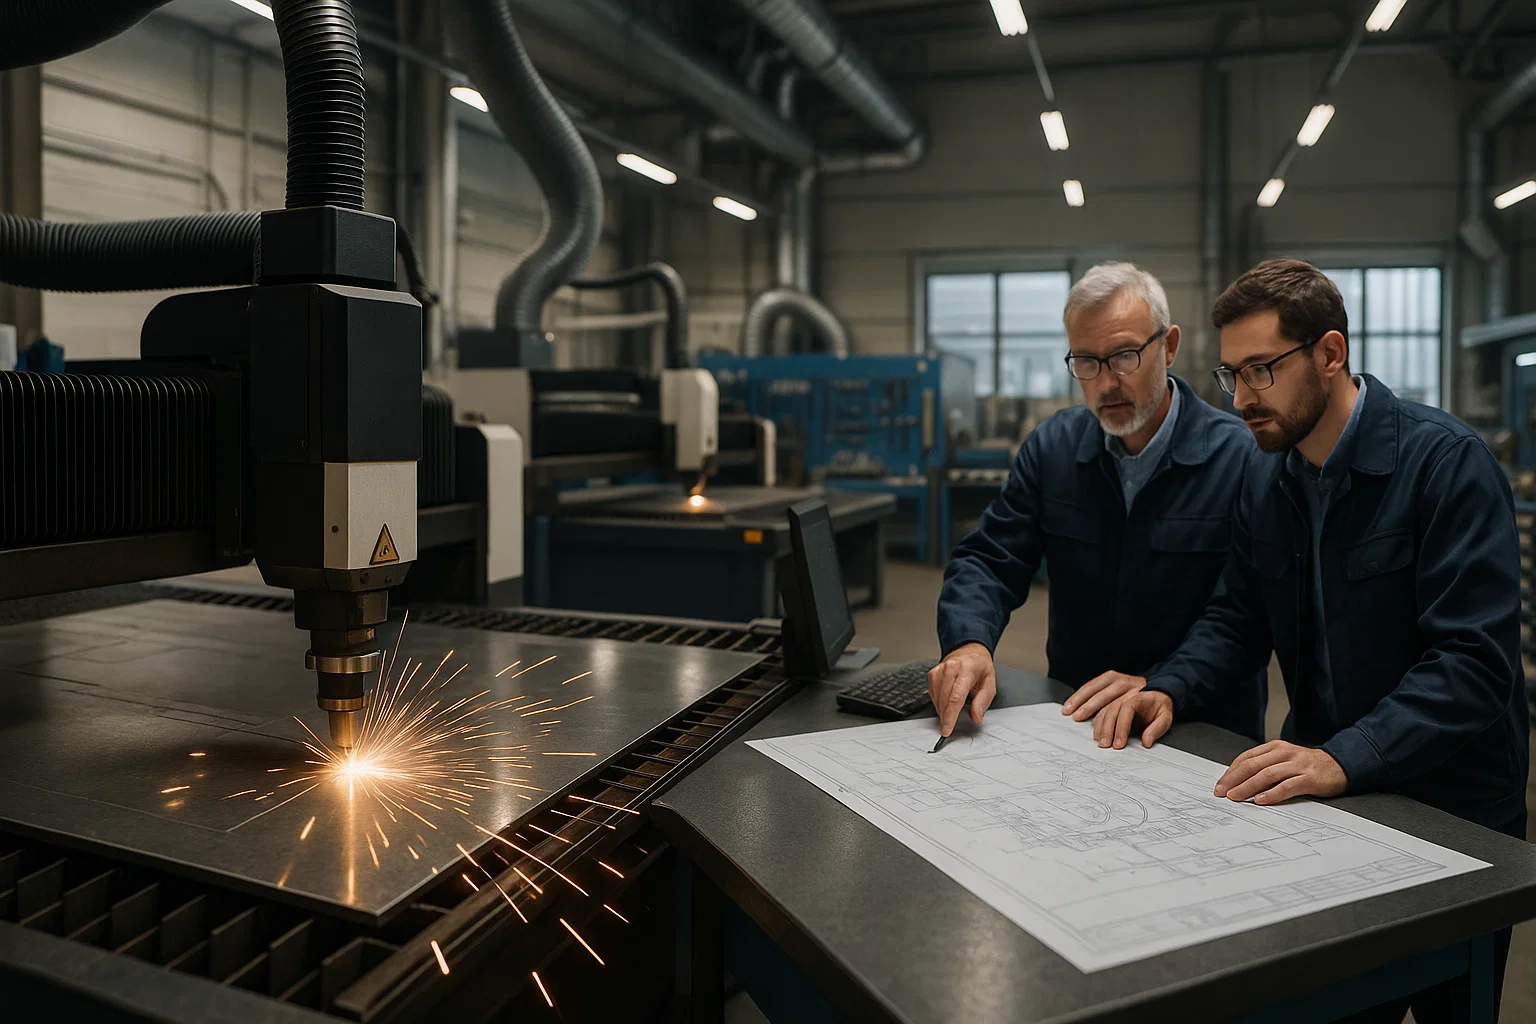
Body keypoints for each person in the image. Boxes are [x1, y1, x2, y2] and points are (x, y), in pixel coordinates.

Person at [1080, 258, 1529, 1024]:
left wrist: (1343, 755)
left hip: (1454, 814)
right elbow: (1236, 618)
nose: (1243, 397)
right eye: (1230, 375)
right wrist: (1168, 686)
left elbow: (1473, 665)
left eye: (1262, 370)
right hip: (1333, 802)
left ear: (1330, 354)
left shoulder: (1444, 465)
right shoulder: (1269, 478)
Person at [929, 262, 1262, 741]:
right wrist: (968, 642)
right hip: (1078, 727)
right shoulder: (1053, 450)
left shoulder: (1240, 459)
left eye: (1124, 356)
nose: (1105, 383)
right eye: (1086, 361)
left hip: (1200, 727)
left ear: (1168, 347)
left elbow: (1247, 615)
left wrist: (1168, 683)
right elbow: (989, 559)